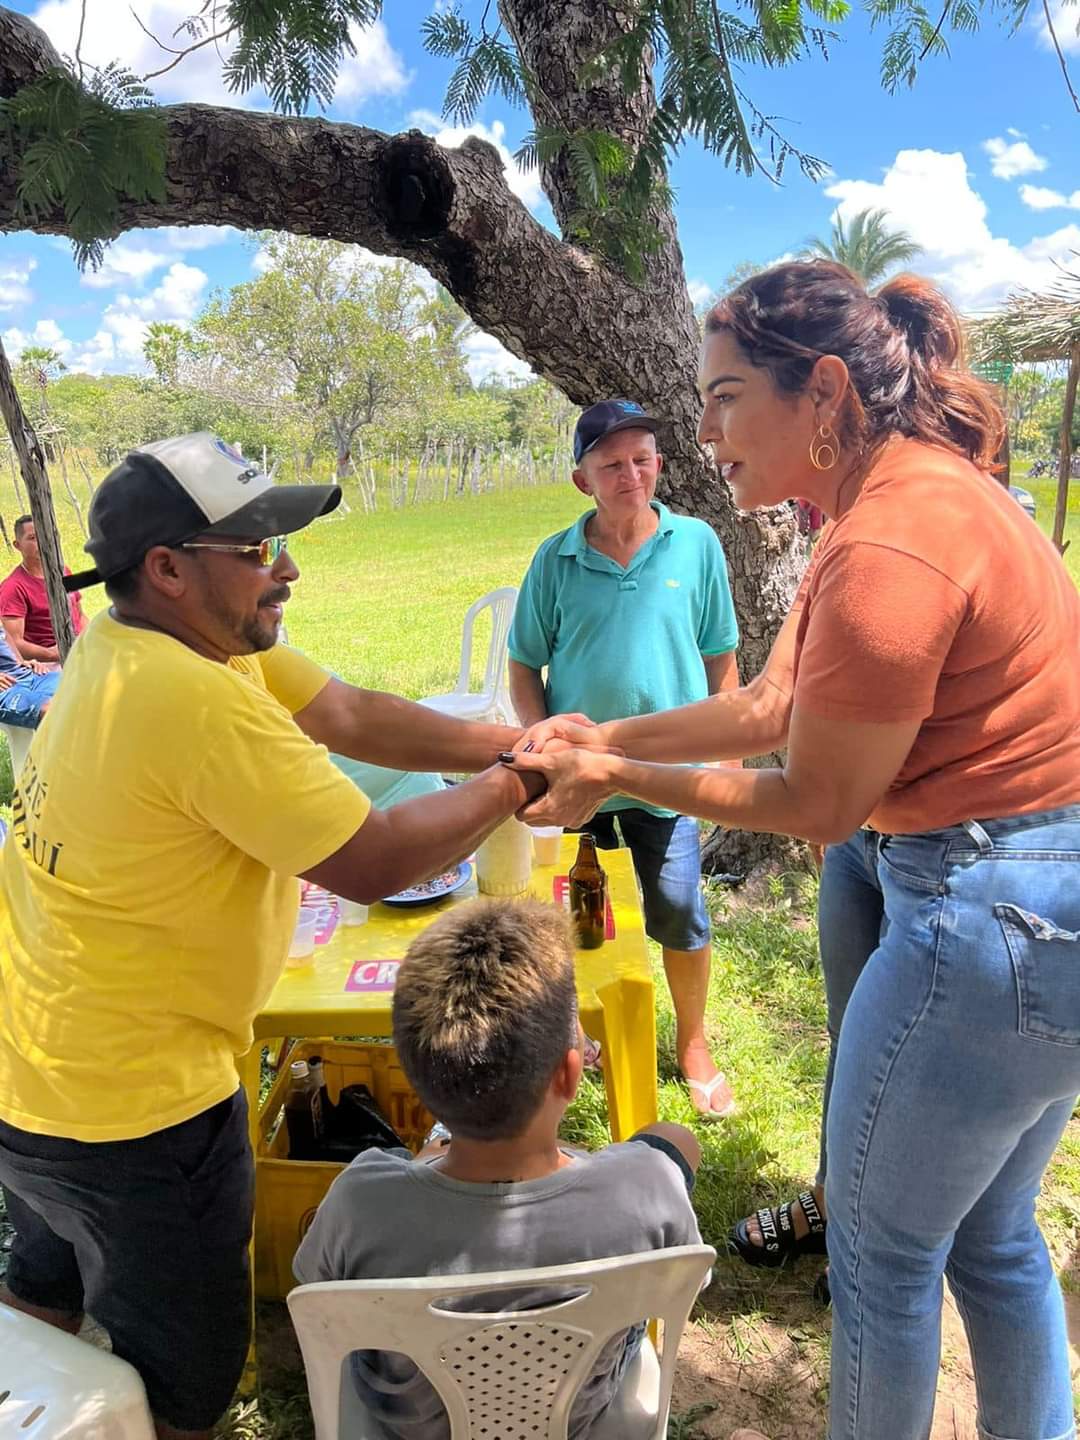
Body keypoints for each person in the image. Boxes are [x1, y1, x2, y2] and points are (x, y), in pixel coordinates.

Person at [501, 262, 1080, 1440]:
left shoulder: (886, 547)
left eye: (721, 398)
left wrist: (609, 775)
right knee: (993, 1235)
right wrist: (602, 733)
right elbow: (770, 706)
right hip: (1047, 911)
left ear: (821, 393)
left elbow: (816, 801)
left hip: (984, 924)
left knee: (880, 1257)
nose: (701, 432)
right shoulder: (895, 503)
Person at [0, 433, 555, 1440]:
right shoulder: (194, 697)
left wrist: (511, 739)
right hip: (140, 1112)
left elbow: (348, 712)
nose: (286, 569)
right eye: (255, 548)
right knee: (185, 1384)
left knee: (46, 1285)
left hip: (30, 1071)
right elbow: (376, 858)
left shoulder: (135, 646)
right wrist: (524, 783)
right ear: (167, 570)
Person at [294, 898, 704, 1440]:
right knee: (674, 1141)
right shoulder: (643, 1186)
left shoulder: (361, 1200)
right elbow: (685, 1262)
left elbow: (314, 1286)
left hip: (408, 1430)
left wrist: (423, 1161)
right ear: (570, 1073)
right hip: (587, 1421)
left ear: (418, 1082)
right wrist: (601, 1162)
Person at [508, 399, 740, 1118]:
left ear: (659, 466)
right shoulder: (556, 558)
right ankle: (584, 1028)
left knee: (677, 910)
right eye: (611, 465)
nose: (629, 475)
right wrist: (543, 747)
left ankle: (693, 1044)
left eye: (642, 460)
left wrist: (724, 763)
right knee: (583, 914)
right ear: (583, 480)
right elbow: (524, 666)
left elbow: (720, 660)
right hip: (579, 782)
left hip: (668, 779)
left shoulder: (696, 543)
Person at [0, 514, 87, 661]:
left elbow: (80, 615)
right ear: (17, 545)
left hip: (80, 649)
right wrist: (55, 654)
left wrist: (91, 640)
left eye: (44, 535)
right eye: (33, 538)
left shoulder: (64, 571)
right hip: (48, 664)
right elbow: (14, 643)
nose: (41, 542)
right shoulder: (13, 587)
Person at [0, 626, 60, 731]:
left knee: (83, 687)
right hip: (5, 689)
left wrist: (20, 660)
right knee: (53, 710)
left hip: (28, 675)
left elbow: (3, 634)